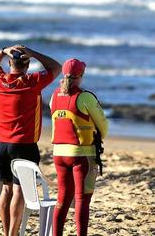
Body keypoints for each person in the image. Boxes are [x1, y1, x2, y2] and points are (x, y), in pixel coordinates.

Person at [0, 45, 61, 236]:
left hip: (3, 144)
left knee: (5, 191)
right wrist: (33, 52)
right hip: (25, 147)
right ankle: (12, 234)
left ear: (10, 63)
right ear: (27, 65)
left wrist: (4, 51)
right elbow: (56, 68)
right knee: (18, 192)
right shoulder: (32, 81)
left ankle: (6, 232)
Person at [50, 58, 109, 236]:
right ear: (81, 75)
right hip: (81, 154)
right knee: (82, 199)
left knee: (62, 199)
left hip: (58, 154)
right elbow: (103, 125)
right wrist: (97, 138)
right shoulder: (85, 97)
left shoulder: (54, 95)